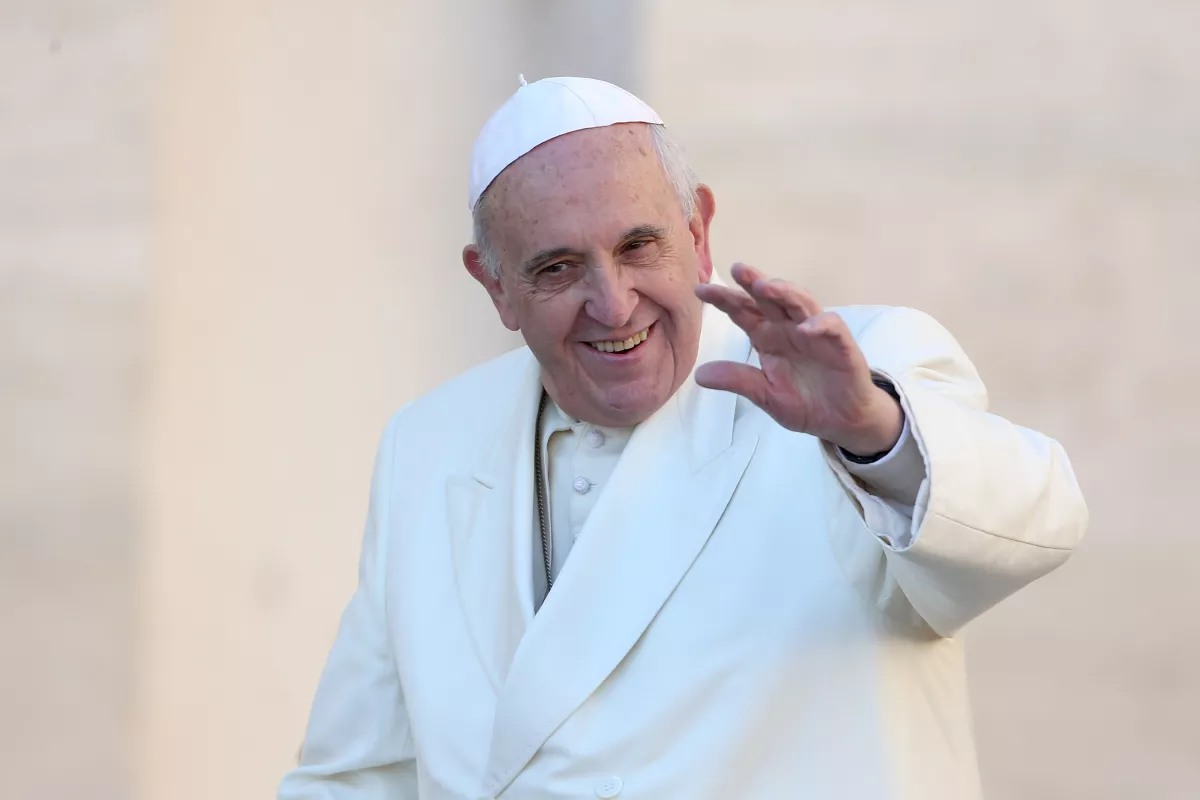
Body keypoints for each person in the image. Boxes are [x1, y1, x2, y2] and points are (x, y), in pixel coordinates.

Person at [278, 76, 1088, 800]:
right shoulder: (429, 445)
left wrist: (872, 431)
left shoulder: (863, 373)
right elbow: (356, 776)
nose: (613, 303)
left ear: (698, 229)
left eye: (639, 246)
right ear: (495, 285)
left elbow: (1040, 522)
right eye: (557, 269)